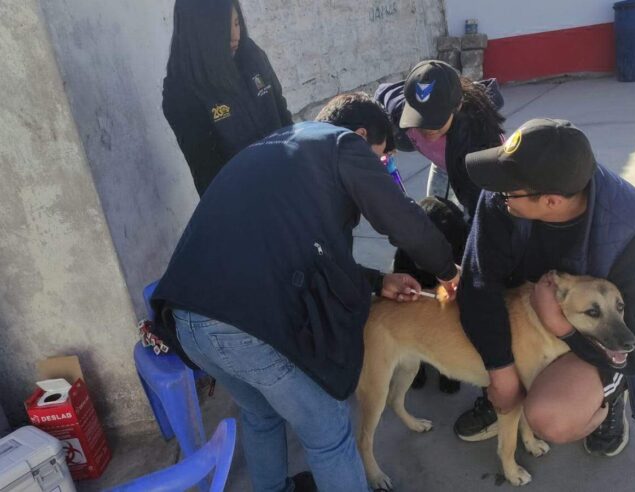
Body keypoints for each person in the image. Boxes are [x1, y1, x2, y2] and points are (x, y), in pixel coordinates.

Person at [150, 92, 460, 492]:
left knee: (261, 416)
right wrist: (448, 270)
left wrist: (375, 282)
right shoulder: (343, 144)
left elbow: (306, 253)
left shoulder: (281, 147)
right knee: (329, 434)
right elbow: (400, 216)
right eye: (381, 158)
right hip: (243, 329)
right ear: (361, 134)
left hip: (186, 320)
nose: (382, 167)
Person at [454, 118, 635, 458]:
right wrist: (501, 373)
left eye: (509, 188)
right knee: (495, 358)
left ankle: (610, 395)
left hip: (596, 332)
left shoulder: (634, 230)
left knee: (550, 417)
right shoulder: (504, 200)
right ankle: (510, 386)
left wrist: (562, 328)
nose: (497, 193)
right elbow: (478, 284)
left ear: (551, 201)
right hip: (527, 314)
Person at [162, 0, 292, 196]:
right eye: (224, 25)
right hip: (246, 206)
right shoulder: (182, 93)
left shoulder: (251, 56)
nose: (235, 35)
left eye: (237, 23)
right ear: (200, 28)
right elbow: (208, 173)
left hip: (291, 182)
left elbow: (285, 119)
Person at [375, 60, 505, 219]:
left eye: (435, 121)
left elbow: (482, 209)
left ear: (457, 106)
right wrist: (385, 141)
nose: (427, 129)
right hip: (442, 162)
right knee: (433, 217)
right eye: (420, 119)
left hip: (470, 171)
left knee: (469, 220)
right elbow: (382, 94)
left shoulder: (477, 144)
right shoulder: (397, 109)